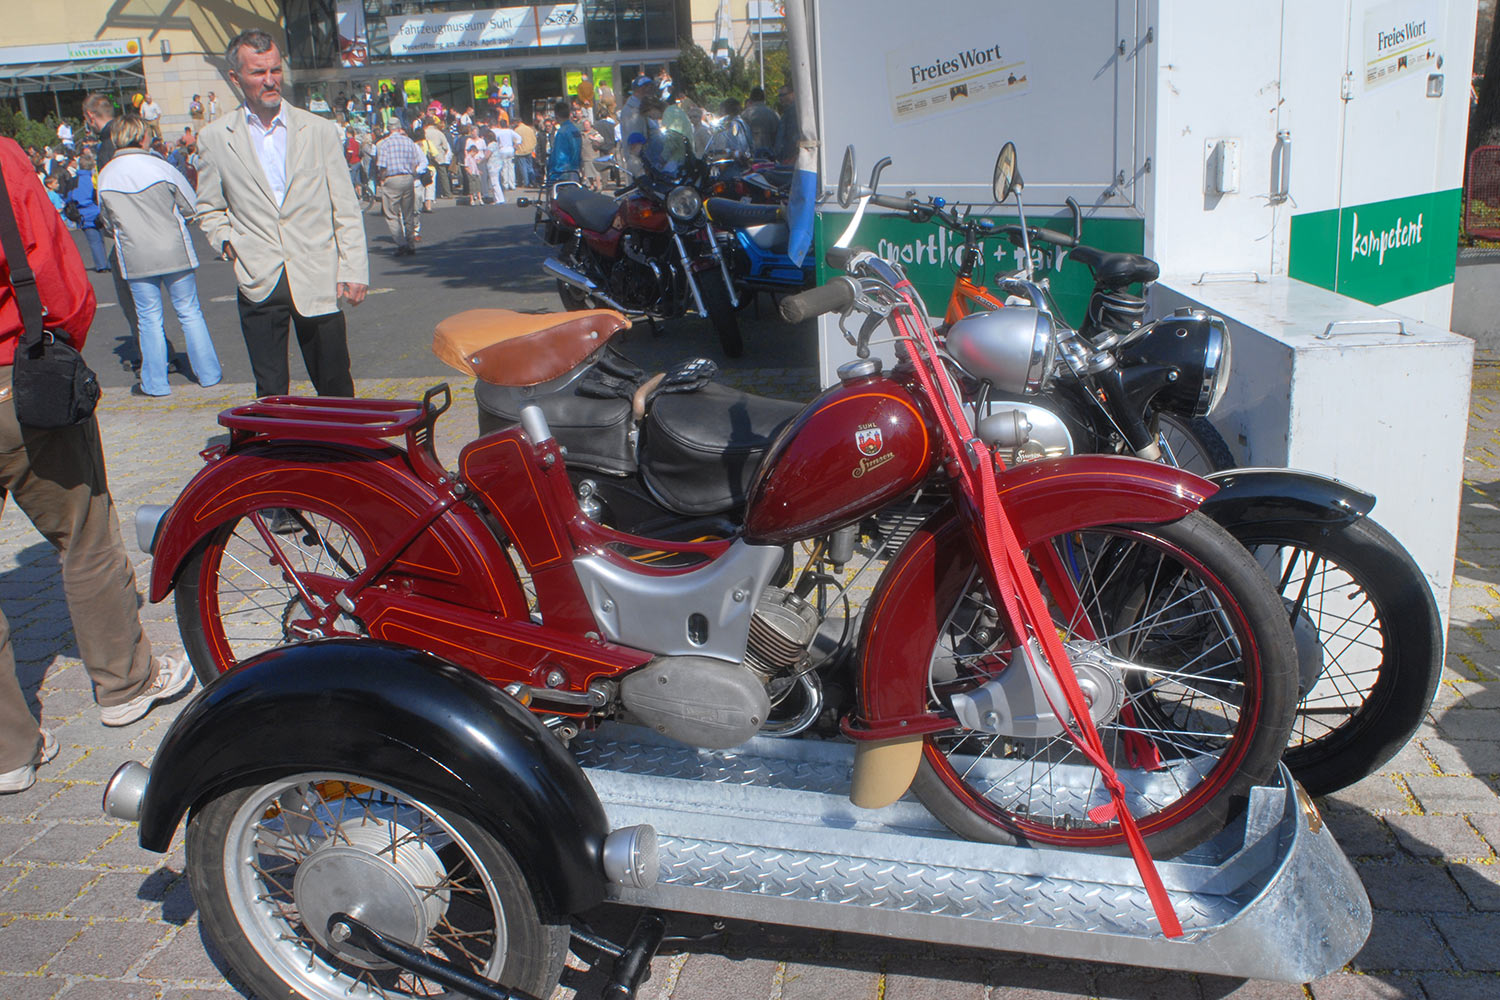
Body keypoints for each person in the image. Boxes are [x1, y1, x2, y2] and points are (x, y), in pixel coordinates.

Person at [0, 135, 195, 795]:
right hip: (11, 379)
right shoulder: (2, 156)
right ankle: (124, 683)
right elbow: (55, 271)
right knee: (83, 531)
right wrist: (65, 347)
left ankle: (8, 749)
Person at [195, 28, 368, 398]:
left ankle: (343, 453)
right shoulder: (215, 137)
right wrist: (228, 242)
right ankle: (281, 454)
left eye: (275, 70)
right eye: (259, 73)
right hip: (259, 275)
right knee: (271, 390)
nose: (270, 81)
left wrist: (353, 268)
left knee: (336, 383)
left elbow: (346, 208)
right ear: (235, 78)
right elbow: (208, 207)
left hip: (317, 274)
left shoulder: (318, 130)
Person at [97, 115, 221, 396]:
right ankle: (209, 374)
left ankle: (155, 383)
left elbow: (106, 220)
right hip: (172, 247)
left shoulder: (107, 174)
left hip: (134, 252)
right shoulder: (160, 166)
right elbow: (191, 205)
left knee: (148, 318)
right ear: (143, 137)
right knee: (190, 312)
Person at [375, 121, 422, 254]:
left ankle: (401, 243)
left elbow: (382, 166)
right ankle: (411, 242)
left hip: (392, 179)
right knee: (408, 213)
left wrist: (382, 179)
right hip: (408, 178)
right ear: (400, 127)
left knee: (391, 213)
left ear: (389, 129)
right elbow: (415, 163)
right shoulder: (409, 142)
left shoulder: (385, 144)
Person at [66, 151, 110, 272]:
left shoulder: (74, 181)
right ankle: (110, 263)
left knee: (94, 241)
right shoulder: (94, 179)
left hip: (83, 214)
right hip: (97, 211)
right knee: (104, 239)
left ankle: (101, 266)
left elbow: (69, 197)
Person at [547, 101, 583, 186]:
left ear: (556, 116)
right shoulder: (575, 130)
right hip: (575, 171)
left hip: (562, 173)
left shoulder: (562, 132)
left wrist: (552, 171)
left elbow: (559, 155)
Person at [741, 86, 779, 159]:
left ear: (751, 99)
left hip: (752, 156)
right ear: (764, 98)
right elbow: (778, 137)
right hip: (770, 155)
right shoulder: (773, 114)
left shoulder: (745, 115)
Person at [488, 116, 520, 199]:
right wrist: (515, 145)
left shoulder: (499, 132)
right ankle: (512, 184)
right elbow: (519, 138)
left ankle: (505, 184)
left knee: (504, 168)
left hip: (502, 150)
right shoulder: (510, 131)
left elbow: (495, 139)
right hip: (510, 149)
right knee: (511, 167)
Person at [423, 115, 453, 198]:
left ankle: (430, 194)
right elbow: (446, 146)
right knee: (443, 175)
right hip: (439, 155)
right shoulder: (439, 133)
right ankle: (447, 193)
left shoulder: (424, 132)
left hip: (427, 156)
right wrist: (443, 152)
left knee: (429, 174)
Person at [773, 83, 801, 166]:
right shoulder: (788, 112)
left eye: (783, 95)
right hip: (786, 158)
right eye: (779, 96)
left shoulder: (793, 112)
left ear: (793, 94)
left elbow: (793, 137)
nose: (781, 99)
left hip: (790, 158)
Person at [513, 115, 537, 188]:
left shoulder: (516, 130)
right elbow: (534, 139)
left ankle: (526, 183)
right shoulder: (529, 129)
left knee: (523, 167)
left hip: (521, 151)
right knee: (530, 166)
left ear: (516, 122)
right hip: (529, 150)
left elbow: (515, 141)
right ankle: (533, 181)